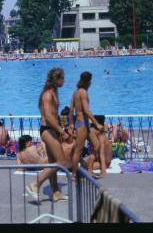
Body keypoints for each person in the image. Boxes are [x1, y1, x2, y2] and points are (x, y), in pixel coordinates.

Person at [25, 67, 70, 204]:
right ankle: (35, 184)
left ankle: (56, 192)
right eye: (62, 78)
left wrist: (60, 129)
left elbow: (54, 116)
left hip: (53, 130)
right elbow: (49, 117)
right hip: (47, 130)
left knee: (53, 163)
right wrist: (62, 131)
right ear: (56, 79)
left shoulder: (53, 92)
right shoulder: (47, 95)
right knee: (61, 162)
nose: (64, 80)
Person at [67, 71, 105, 178]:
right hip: (83, 124)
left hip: (82, 123)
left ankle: (89, 170)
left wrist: (71, 124)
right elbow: (87, 111)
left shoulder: (75, 93)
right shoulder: (83, 92)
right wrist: (96, 124)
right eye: (90, 81)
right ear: (88, 82)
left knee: (96, 145)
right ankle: (74, 175)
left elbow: (71, 110)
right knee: (78, 150)